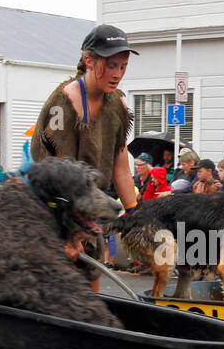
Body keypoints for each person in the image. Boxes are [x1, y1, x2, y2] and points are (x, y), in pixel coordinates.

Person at [29, 22, 141, 289]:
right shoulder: (64, 102)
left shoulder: (117, 105)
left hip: (90, 208)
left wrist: (136, 215)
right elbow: (57, 175)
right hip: (56, 206)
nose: (117, 74)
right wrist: (69, 234)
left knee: (91, 287)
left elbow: (121, 167)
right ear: (89, 61)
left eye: (122, 66)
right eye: (111, 65)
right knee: (59, 289)